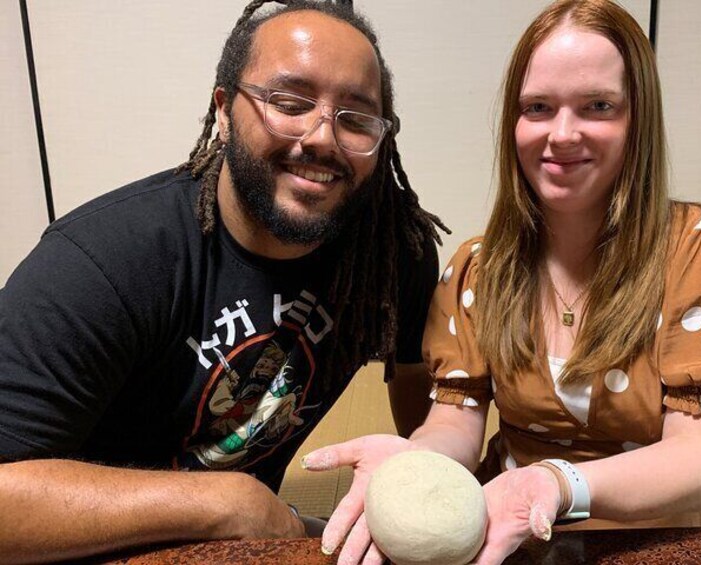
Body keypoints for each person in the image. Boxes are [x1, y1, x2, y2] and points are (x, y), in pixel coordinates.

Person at [302, 1, 701, 564]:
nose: (563, 134)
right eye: (538, 108)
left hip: (661, 539)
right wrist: (415, 465)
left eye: (598, 106)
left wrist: (557, 481)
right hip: (514, 530)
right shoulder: (481, 266)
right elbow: (456, 422)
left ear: (639, 118)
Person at [0, 1, 446, 562]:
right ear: (224, 109)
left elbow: (427, 417)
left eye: (356, 118)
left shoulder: (392, 253)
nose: (322, 137)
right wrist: (223, 502)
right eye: (289, 102)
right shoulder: (102, 261)